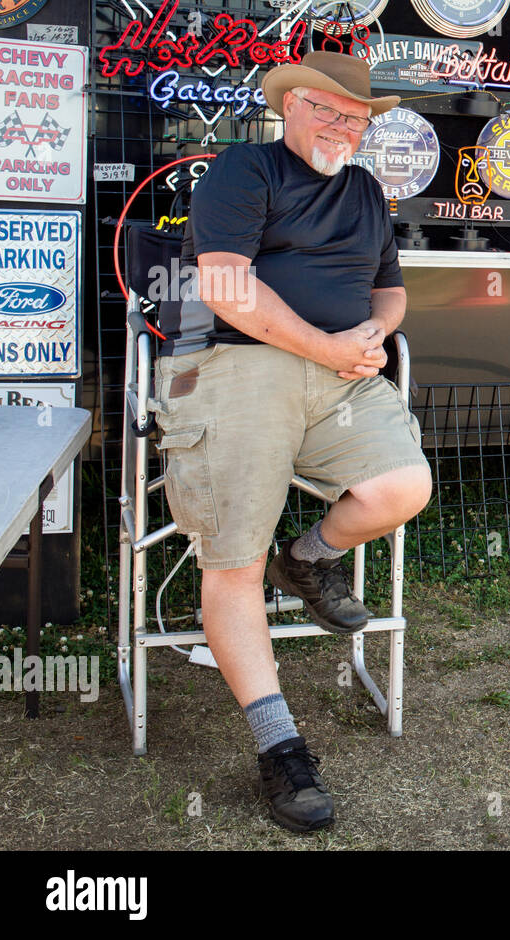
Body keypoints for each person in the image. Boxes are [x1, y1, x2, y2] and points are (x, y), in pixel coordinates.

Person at [153, 51, 433, 833]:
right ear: (292, 105)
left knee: (401, 489)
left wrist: (375, 331)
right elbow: (226, 286)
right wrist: (328, 346)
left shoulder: (367, 190)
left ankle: (306, 559)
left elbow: (391, 288)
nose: (344, 125)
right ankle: (280, 746)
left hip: (340, 375)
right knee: (232, 561)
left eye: (358, 116)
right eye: (329, 109)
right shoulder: (244, 170)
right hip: (237, 367)